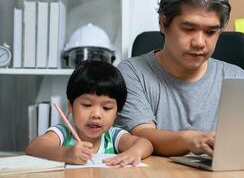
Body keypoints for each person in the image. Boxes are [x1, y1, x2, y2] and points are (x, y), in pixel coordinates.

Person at [115, 0, 244, 157]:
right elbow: (141, 135)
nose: (200, 42)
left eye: (211, 32)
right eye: (188, 29)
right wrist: (189, 140)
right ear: (163, 23)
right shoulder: (132, 73)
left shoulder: (237, 78)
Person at [25, 60, 153, 166]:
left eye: (107, 108)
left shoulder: (113, 136)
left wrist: (134, 152)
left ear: (117, 112)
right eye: (87, 105)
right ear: (70, 106)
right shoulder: (63, 133)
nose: (96, 114)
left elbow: (145, 143)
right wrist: (66, 153)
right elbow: (34, 146)